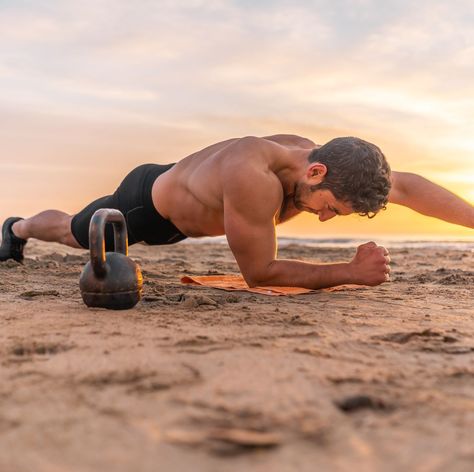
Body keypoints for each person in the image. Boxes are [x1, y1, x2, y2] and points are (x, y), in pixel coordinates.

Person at [1, 135, 473, 288]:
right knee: (71, 233)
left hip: (195, 198)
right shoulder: (255, 179)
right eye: (329, 209)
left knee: (74, 233)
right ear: (316, 174)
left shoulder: (327, 167)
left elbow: (408, 187)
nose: (326, 219)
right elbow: (259, 274)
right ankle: (16, 226)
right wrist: (349, 271)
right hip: (147, 205)